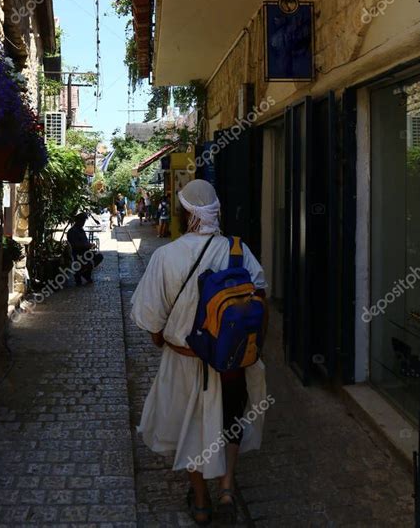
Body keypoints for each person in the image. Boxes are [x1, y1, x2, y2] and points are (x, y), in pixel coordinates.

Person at [131, 180, 269, 525]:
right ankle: (225, 489)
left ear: (183, 214)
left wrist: (162, 340)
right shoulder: (238, 250)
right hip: (233, 362)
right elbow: (260, 297)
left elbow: (151, 319)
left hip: (184, 359)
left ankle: (201, 501)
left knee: (188, 428)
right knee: (231, 421)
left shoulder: (166, 256)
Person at [67, 212, 104, 286]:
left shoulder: (81, 230)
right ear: (78, 221)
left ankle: (84, 272)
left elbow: (84, 241)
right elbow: (75, 245)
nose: (83, 223)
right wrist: (87, 246)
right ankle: (82, 272)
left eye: (84, 221)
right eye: (82, 221)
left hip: (85, 252)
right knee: (90, 260)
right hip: (78, 254)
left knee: (99, 256)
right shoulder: (72, 231)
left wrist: (89, 245)